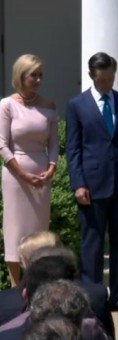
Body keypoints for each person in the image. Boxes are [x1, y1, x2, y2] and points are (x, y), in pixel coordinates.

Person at [65, 52, 118, 314]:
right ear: (91, 76)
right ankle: (92, 296)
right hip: (92, 184)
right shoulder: (77, 105)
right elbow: (73, 149)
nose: (107, 84)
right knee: (92, 244)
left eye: (111, 79)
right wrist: (78, 184)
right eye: (103, 80)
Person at [0, 54, 59, 287]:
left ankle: (37, 283)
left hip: (42, 174)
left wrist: (52, 168)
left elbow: (53, 144)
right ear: (20, 76)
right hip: (16, 175)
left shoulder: (48, 105)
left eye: (40, 75)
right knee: (15, 230)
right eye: (32, 75)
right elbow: (2, 144)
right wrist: (23, 174)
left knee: (39, 230)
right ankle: (16, 286)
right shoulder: (7, 105)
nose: (37, 80)